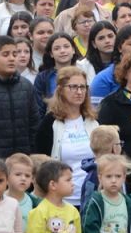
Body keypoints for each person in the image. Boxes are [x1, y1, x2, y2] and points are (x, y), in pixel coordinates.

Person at [35, 65, 98, 194]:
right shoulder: (50, 123)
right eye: (73, 87)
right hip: (61, 197)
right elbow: (40, 161)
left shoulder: (93, 121)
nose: (79, 92)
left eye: (82, 87)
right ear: (61, 90)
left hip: (91, 196)